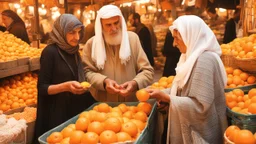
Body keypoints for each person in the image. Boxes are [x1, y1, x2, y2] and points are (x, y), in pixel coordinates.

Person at [146, 15, 228, 143]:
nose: (174, 44)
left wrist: (168, 98)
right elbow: (183, 89)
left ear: (190, 35)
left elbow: (201, 106)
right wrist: (162, 95)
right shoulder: (189, 57)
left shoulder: (205, 60)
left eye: (177, 38)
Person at [34, 14, 96, 143]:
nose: (77, 37)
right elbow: (42, 88)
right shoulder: (50, 52)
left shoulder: (74, 50)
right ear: (61, 31)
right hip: (56, 113)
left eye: (79, 32)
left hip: (73, 111)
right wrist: (65, 86)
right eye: (72, 33)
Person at [82, 5, 154, 102]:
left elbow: (147, 71)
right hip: (102, 106)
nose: (114, 28)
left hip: (131, 104)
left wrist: (135, 83)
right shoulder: (91, 44)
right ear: (101, 25)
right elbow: (86, 73)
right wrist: (104, 82)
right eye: (108, 25)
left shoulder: (133, 39)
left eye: (116, 23)